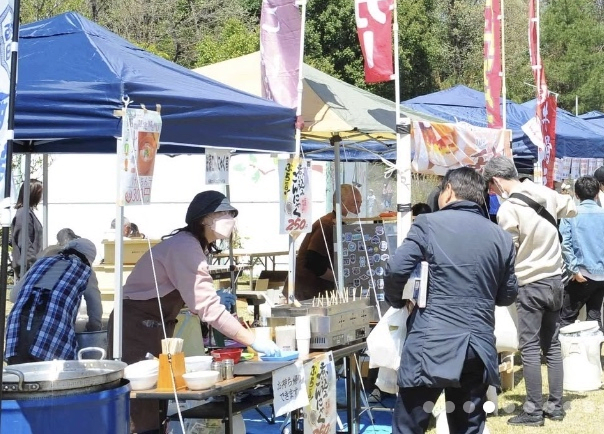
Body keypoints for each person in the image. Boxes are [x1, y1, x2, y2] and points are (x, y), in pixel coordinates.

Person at [115, 191, 280, 433]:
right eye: (223, 213)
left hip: (154, 326)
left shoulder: (191, 245)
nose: (229, 219)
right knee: (141, 406)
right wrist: (252, 340)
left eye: (231, 214)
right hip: (136, 329)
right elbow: (208, 308)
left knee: (156, 402)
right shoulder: (184, 247)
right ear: (203, 219)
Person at [386, 168, 517, 434]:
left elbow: (396, 269)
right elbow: (507, 295)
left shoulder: (427, 224)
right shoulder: (501, 237)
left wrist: (397, 301)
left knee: (409, 425)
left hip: (430, 343)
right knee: (468, 427)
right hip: (477, 346)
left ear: (448, 190)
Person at [486, 155, 575, 426]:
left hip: (529, 282)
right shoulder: (544, 192)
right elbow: (571, 208)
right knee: (553, 345)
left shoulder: (508, 209)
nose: (491, 192)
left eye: (490, 186)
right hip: (555, 279)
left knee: (530, 347)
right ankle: (556, 406)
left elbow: (508, 251)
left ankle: (534, 410)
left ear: (496, 180)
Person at [4, 237, 99, 364]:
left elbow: (14, 296)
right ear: (88, 258)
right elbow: (95, 308)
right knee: (50, 370)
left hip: (17, 320)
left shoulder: (42, 262)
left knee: (18, 370)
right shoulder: (86, 271)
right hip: (51, 323)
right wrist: (94, 328)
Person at [559, 175, 604, 331]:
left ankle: (566, 347)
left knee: (566, 318)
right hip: (602, 273)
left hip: (581, 272)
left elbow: (566, 244)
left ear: (576, 195)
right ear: (597, 193)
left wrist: (573, 269)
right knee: (594, 317)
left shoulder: (570, 215)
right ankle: (596, 347)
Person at [295, 184, 364, 301]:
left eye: (360, 204)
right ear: (340, 203)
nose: (358, 210)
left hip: (323, 290)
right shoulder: (327, 224)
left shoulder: (341, 225)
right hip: (308, 291)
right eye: (354, 203)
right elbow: (313, 261)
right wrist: (340, 279)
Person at [11, 180, 44, 280]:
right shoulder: (23, 214)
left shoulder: (27, 212)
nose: (42, 196)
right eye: (40, 193)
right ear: (33, 194)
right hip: (28, 269)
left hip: (31, 267)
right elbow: (25, 243)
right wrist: (35, 265)